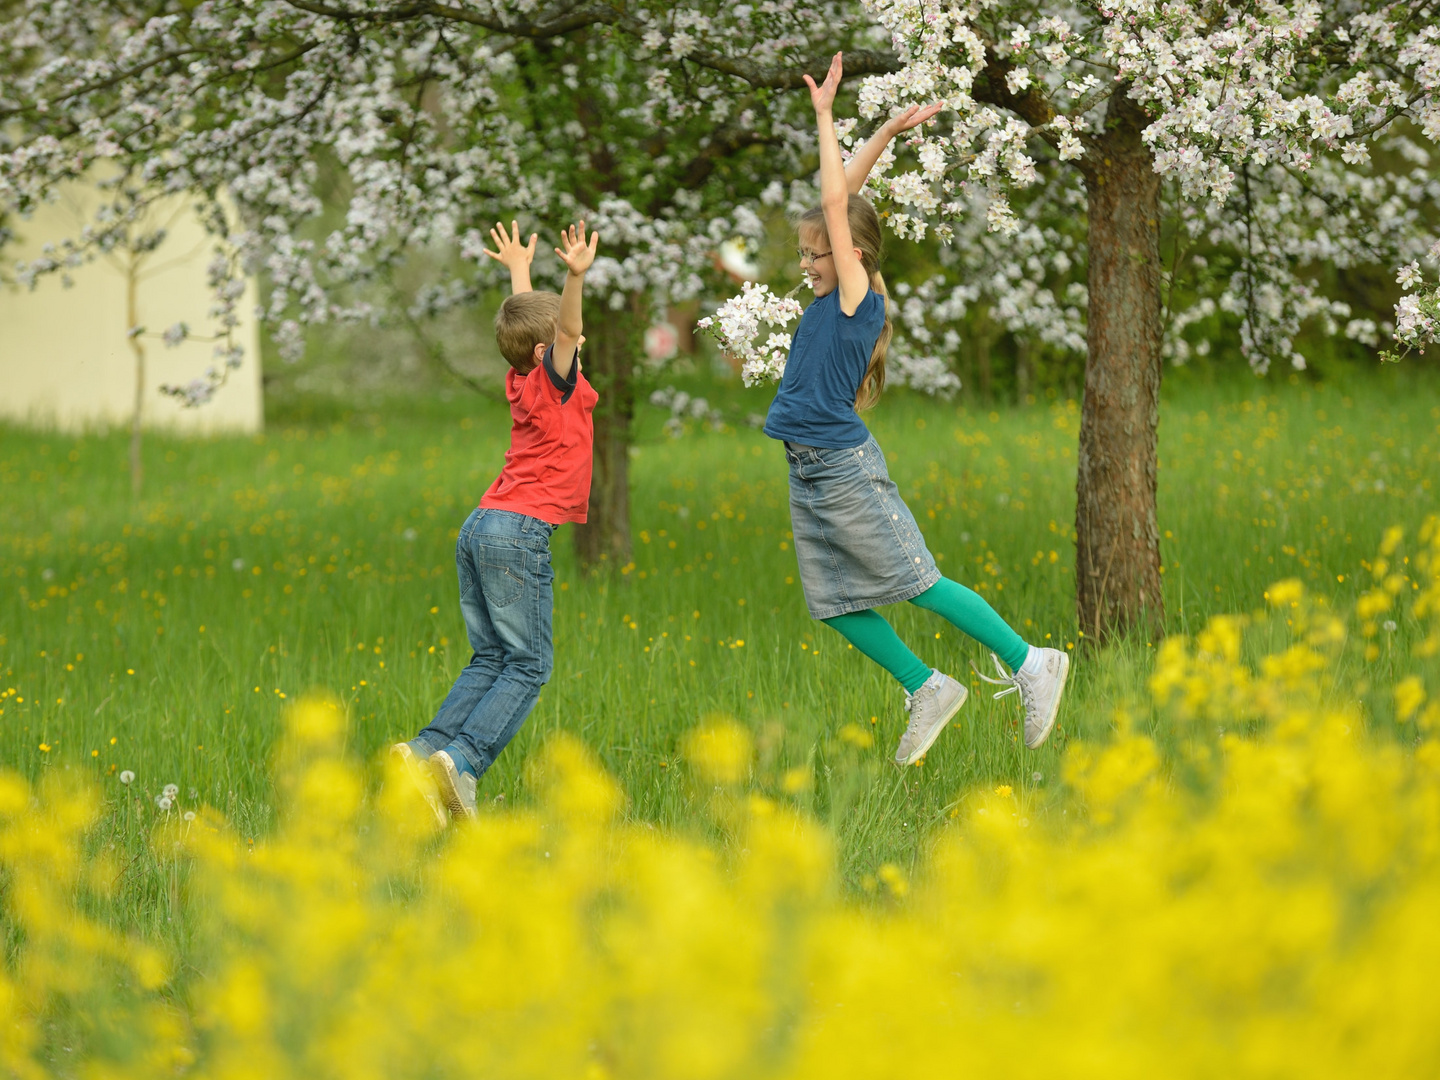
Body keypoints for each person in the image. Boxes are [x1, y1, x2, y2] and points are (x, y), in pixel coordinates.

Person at [765, 53, 1070, 767]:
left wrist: (827, 118)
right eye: (806, 254)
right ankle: (927, 686)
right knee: (836, 602)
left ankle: (1032, 662)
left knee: (915, 582)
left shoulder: (854, 298)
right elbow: (842, 200)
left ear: (853, 254)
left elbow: (840, 204)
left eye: (817, 253)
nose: (807, 263)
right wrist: (887, 133)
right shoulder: (829, 299)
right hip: (807, 468)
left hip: (841, 468)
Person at [392, 218, 600, 820]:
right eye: (566, 346)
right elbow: (563, 329)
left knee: (490, 658)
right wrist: (573, 277)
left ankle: (426, 751)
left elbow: (533, 329)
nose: (575, 348)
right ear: (548, 353)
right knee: (529, 665)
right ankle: (463, 762)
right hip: (518, 532)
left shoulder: (520, 378)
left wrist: (518, 272)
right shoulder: (557, 382)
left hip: (481, 525)